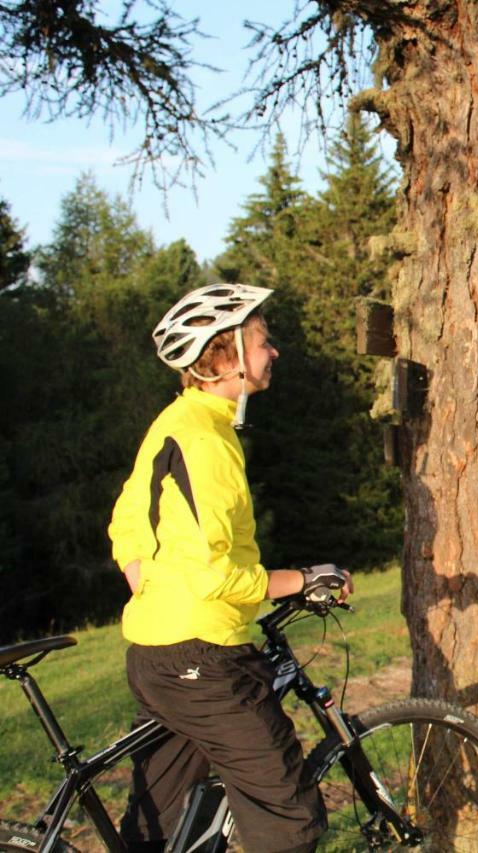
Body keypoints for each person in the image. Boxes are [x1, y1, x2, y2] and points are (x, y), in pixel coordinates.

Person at [108, 283, 352, 852]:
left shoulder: (182, 422)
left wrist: (147, 583)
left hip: (159, 655)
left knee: (158, 825)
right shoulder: (205, 439)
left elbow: (126, 519)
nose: (274, 352)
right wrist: (303, 579)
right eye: (264, 341)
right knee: (285, 814)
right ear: (225, 357)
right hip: (203, 660)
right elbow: (212, 573)